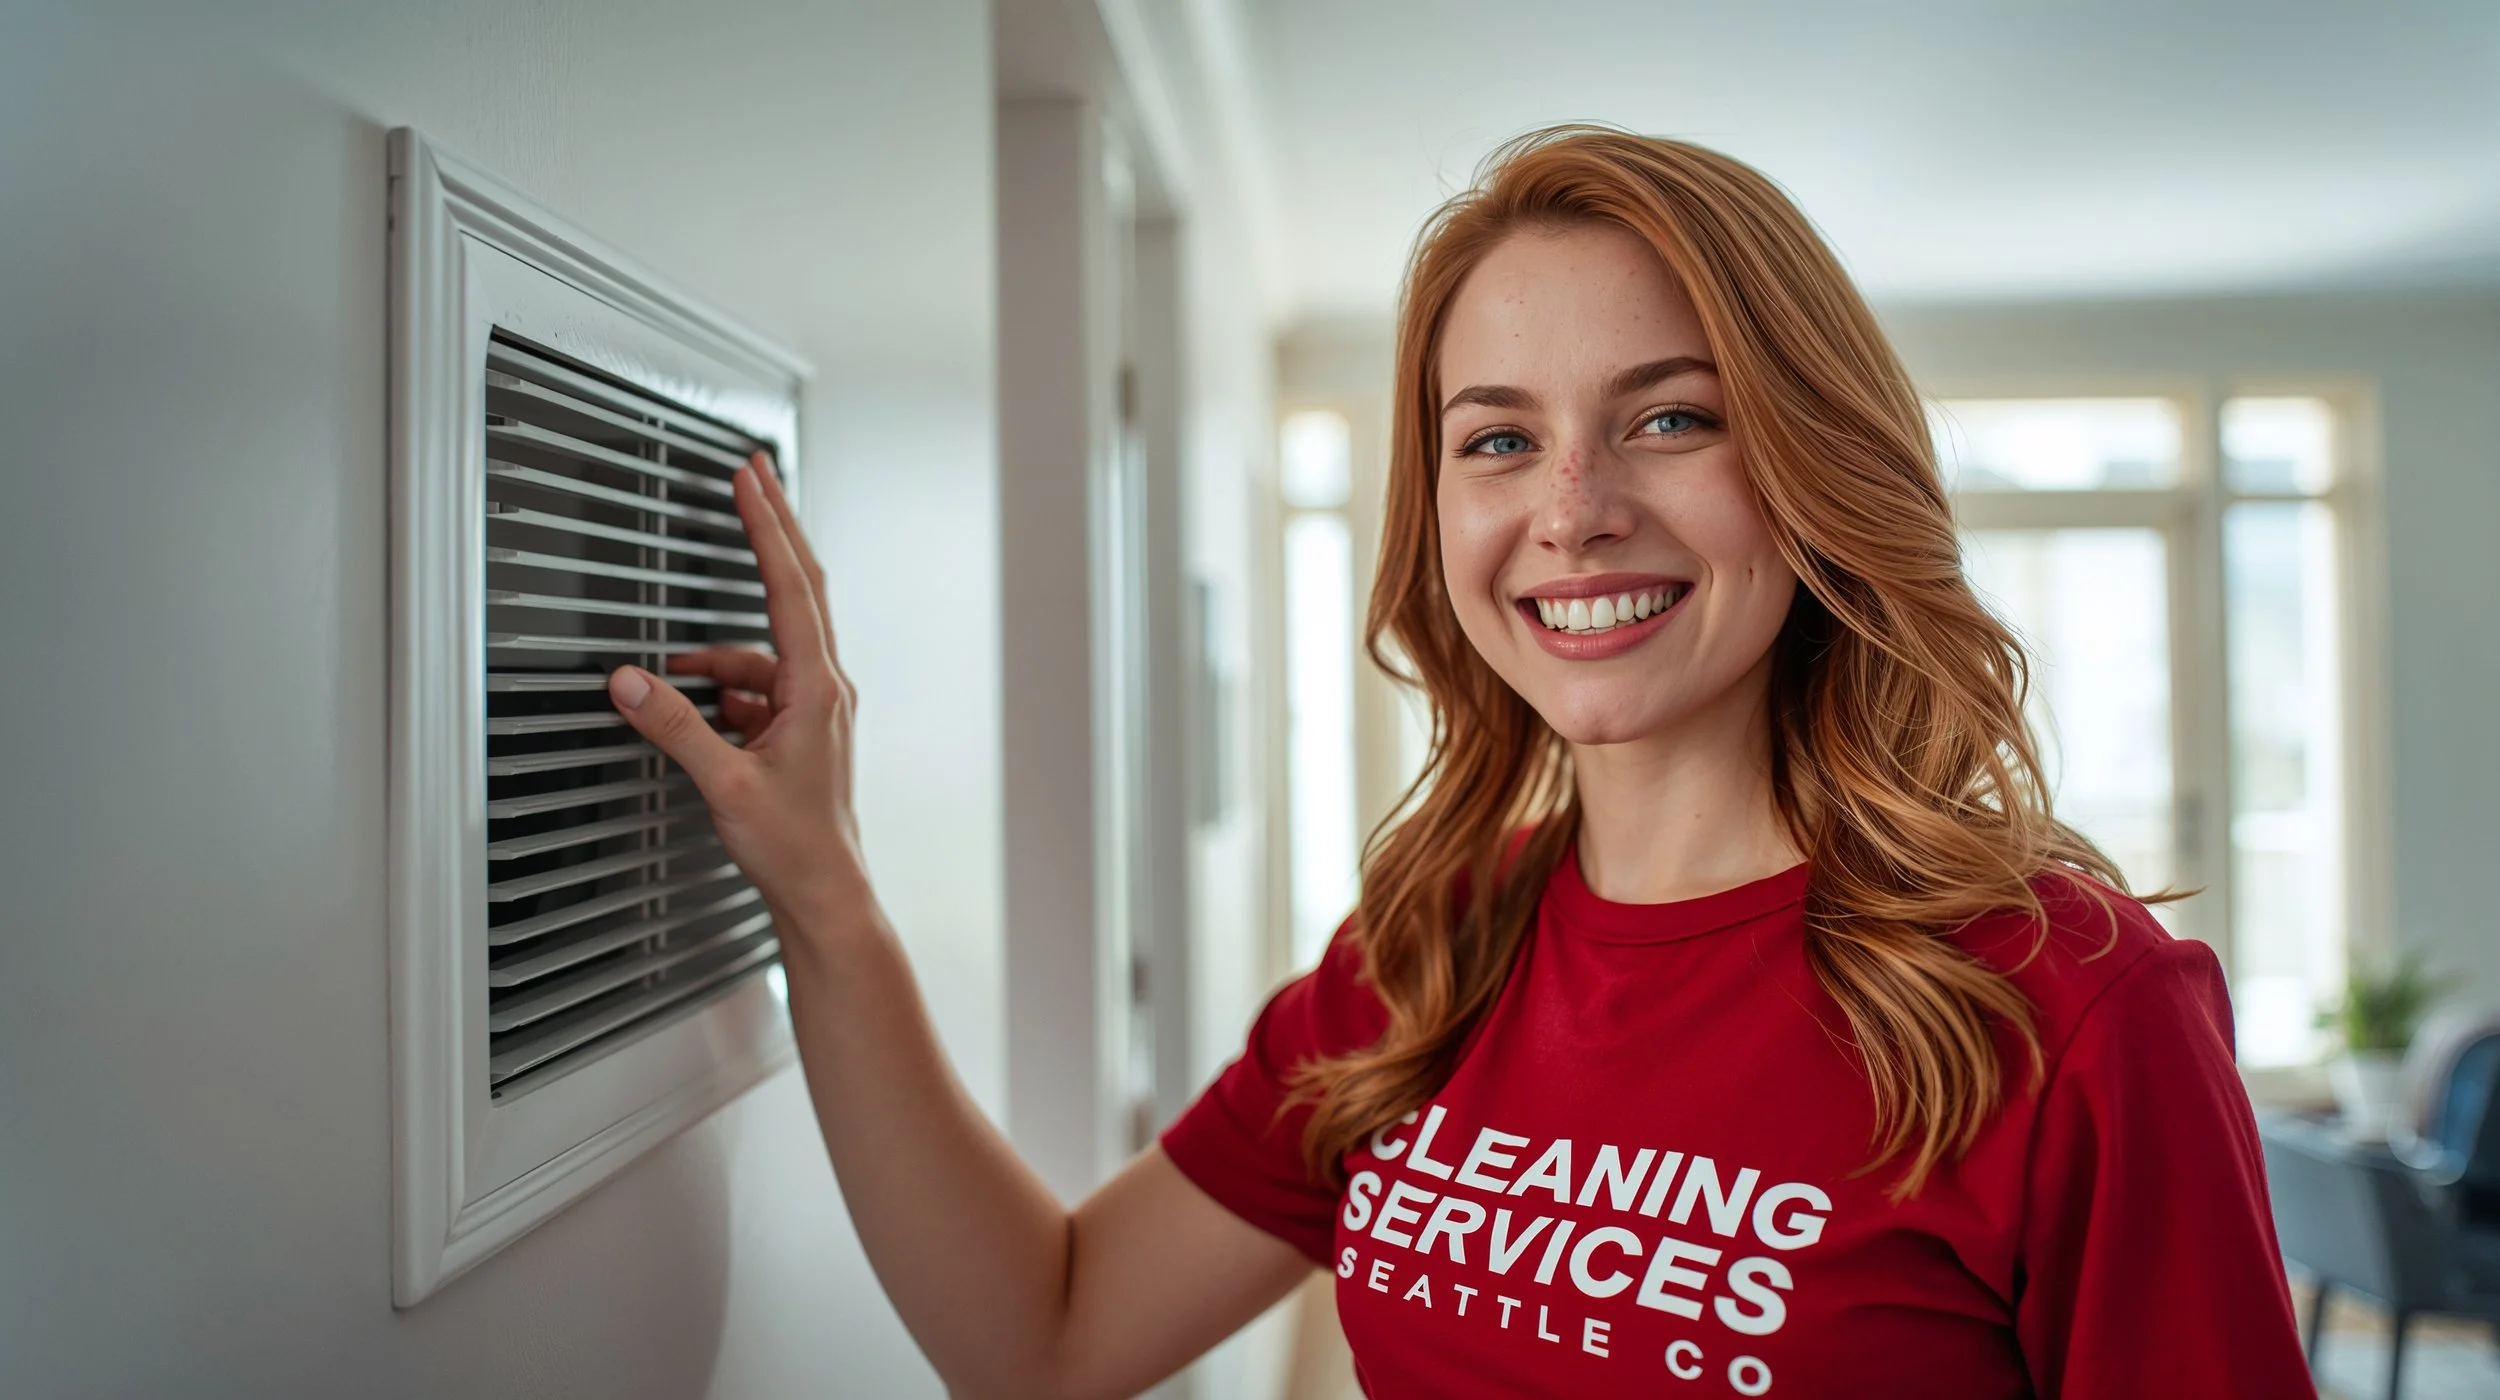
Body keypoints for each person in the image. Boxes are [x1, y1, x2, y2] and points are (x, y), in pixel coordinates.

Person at [604, 126, 2313, 1398]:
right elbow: (1041, 1335)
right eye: (1498, 439)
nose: (1572, 510)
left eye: (1671, 415)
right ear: (1440, 515)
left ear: (1811, 461)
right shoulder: (1432, 955)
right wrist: (822, 893)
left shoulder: (2070, 1006)